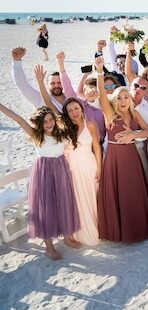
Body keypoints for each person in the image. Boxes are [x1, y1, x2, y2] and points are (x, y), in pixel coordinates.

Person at [0, 102, 80, 260]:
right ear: (39, 124)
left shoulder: (61, 133)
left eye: (51, 119)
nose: (49, 123)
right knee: (47, 208)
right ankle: (49, 247)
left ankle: (67, 237)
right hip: (44, 173)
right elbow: (19, 120)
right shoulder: (37, 135)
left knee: (63, 203)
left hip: (61, 170)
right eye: (45, 121)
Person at [35, 65, 102, 246]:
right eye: (70, 110)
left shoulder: (91, 125)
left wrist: (100, 170)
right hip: (70, 169)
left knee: (92, 200)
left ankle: (96, 228)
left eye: (76, 108)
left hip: (89, 167)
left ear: (81, 108)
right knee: (75, 202)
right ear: (66, 112)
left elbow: (97, 148)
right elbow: (48, 103)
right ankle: (76, 233)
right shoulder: (63, 125)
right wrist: (41, 82)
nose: (73, 112)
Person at [95, 57, 148, 243]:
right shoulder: (110, 113)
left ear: (130, 99)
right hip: (114, 158)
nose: (123, 100)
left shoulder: (134, 113)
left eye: (125, 97)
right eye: (119, 97)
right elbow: (102, 95)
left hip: (131, 156)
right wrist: (98, 71)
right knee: (117, 193)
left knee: (132, 192)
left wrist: (132, 135)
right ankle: (119, 231)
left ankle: (137, 230)